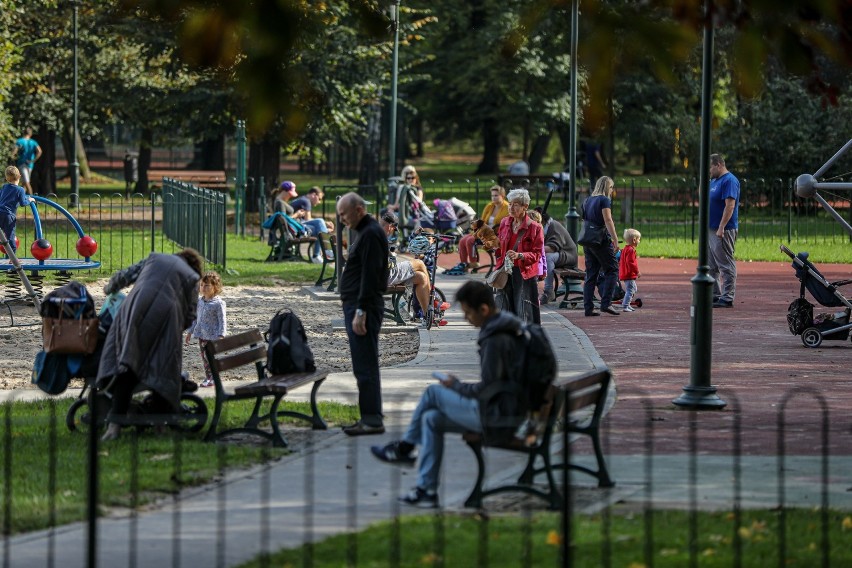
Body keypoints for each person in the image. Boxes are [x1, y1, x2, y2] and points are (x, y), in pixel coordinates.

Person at [370, 281, 525, 508]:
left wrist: (457, 386)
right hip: (515, 411)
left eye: (468, 313)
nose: (466, 319)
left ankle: (405, 448)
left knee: (434, 392)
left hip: (500, 417)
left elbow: (487, 389)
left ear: (483, 310)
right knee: (431, 419)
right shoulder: (510, 327)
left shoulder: (496, 339)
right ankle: (426, 490)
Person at [98, 248, 204, 441]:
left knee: (127, 365)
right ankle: (158, 425)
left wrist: (109, 289)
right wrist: (175, 328)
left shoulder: (155, 258)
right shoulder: (192, 276)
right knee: (164, 369)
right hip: (167, 317)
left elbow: (126, 276)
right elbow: (191, 313)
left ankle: (114, 427)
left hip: (135, 307)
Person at [336, 192, 389, 436]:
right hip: (359, 305)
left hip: (363, 307)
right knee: (363, 365)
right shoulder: (366, 232)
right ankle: (370, 416)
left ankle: (372, 419)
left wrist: (361, 310)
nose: (341, 219)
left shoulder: (370, 234)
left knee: (365, 365)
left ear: (358, 209)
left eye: (344, 214)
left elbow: (371, 275)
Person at [379, 212, 449, 324]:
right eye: (393, 229)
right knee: (419, 263)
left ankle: (428, 316)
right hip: (384, 276)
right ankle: (433, 298)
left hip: (381, 275)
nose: (392, 232)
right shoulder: (378, 235)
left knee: (421, 277)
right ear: (391, 226)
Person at [494, 189, 544, 324]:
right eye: (510, 204)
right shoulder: (504, 223)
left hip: (524, 273)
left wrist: (520, 255)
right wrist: (494, 246)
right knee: (504, 307)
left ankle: (526, 338)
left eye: (515, 204)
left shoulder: (535, 227)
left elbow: (537, 254)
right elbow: (500, 246)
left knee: (524, 310)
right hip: (505, 271)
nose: (511, 207)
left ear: (525, 207)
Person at [447, 185, 508, 275]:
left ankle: (473, 262)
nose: (493, 198)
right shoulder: (490, 206)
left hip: (495, 235)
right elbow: (482, 221)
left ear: (502, 196)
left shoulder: (507, 207)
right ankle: (464, 264)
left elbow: (505, 224)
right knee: (462, 240)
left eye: (496, 195)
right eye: (492, 195)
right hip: (483, 232)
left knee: (470, 240)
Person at [581, 176, 620, 316]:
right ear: (607, 187)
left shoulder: (587, 200)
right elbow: (608, 220)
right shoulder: (604, 200)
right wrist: (615, 240)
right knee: (612, 269)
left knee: (591, 274)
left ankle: (588, 307)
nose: (612, 190)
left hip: (588, 240)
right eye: (611, 187)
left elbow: (585, 219)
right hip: (600, 240)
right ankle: (606, 303)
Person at [708, 153, 740, 308]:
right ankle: (715, 294)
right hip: (710, 228)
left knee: (725, 263)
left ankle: (727, 297)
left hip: (723, 229)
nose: (709, 171)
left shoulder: (729, 181)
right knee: (710, 264)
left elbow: (730, 205)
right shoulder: (713, 180)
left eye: (710, 167)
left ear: (718, 164)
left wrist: (721, 227)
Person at [185, 271, 228, 387]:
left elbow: (222, 320)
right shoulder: (199, 302)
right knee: (204, 358)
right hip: (202, 335)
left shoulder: (219, 303)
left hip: (213, 336)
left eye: (207, 285)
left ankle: (214, 378)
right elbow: (195, 318)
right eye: (201, 285)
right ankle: (208, 377)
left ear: (215, 287)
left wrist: (221, 334)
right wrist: (190, 331)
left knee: (212, 358)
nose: (203, 288)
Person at [537, 208, 578, 305]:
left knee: (548, 257)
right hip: (560, 254)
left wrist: (535, 248)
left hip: (568, 255)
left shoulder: (553, 226)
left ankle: (549, 291)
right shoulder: (544, 226)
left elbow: (552, 248)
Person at [291, 186, 332, 263]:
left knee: (319, 227)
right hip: (296, 227)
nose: (319, 202)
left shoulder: (302, 199)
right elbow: (308, 219)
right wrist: (324, 224)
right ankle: (325, 252)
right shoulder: (306, 201)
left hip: (293, 226)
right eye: (319, 199)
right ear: (314, 194)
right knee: (320, 222)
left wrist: (323, 225)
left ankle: (318, 256)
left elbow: (307, 220)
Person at [0, 166, 35, 254]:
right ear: (19, 176)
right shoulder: (20, 190)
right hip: (9, 215)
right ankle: (13, 258)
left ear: (7, 178)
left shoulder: (4, 187)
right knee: (10, 236)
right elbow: (23, 203)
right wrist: (30, 200)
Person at [12, 128, 42, 195]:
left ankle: (32, 199)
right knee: (24, 182)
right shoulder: (33, 142)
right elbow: (39, 151)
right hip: (30, 164)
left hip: (22, 163)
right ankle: (21, 199)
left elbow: (14, 152)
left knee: (26, 182)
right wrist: (33, 160)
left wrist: (13, 158)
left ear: (23, 133)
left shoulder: (19, 141)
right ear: (30, 134)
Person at [619, 228, 641, 312]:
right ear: (634, 240)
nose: (639, 241)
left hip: (626, 273)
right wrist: (637, 272)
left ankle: (627, 303)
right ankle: (625, 305)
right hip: (629, 274)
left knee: (633, 289)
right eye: (639, 239)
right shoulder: (631, 250)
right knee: (630, 290)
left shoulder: (625, 249)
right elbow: (631, 263)